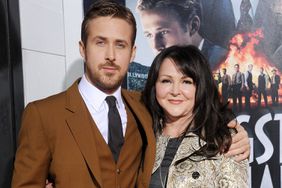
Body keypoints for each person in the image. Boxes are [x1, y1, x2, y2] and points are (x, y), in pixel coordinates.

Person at [13, 1, 249, 188]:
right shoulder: (42, 115)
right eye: (100, 42)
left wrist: (236, 134)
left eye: (120, 44)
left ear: (133, 52)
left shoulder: (143, 107)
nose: (110, 55)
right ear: (82, 48)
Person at [142, 45, 248, 187]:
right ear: (154, 85)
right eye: (166, 81)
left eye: (186, 82)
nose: (175, 91)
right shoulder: (141, 134)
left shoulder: (223, 139)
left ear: (201, 87)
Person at [136, 0, 227, 70]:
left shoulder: (226, 61)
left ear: (193, 26)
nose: (155, 46)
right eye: (149, 35)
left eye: (163, 32)